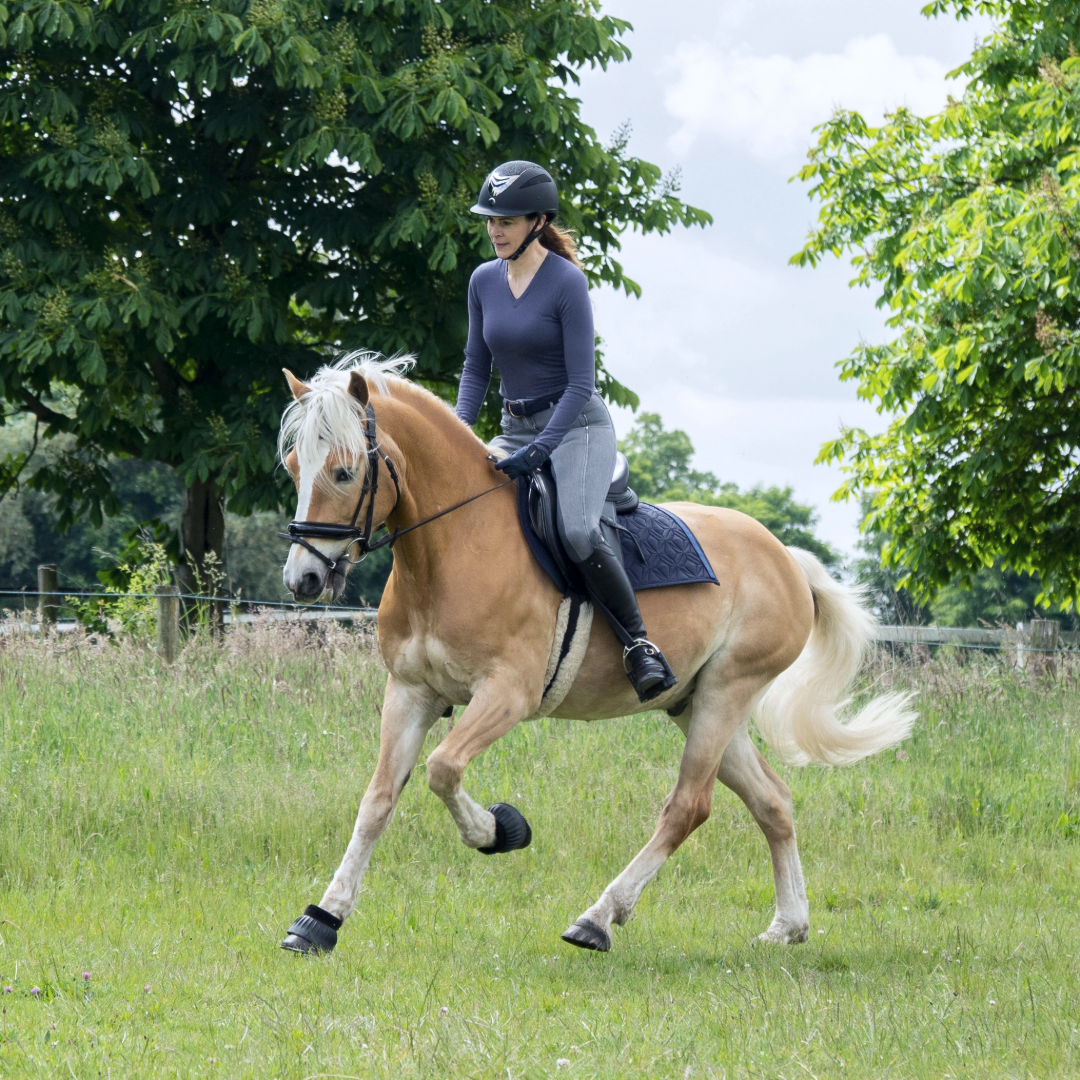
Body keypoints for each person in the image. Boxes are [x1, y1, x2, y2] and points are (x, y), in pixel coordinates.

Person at [454, 160, 677, 702]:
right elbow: (475, 369)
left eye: (505, 220)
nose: (495, 229)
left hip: (575, 427)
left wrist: (541, 450)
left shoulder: (566, 282)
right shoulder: (484, 280)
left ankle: (637, 645)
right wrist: (459, 436)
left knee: (577, 530)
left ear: (537, 220)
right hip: (513, 426)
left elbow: (582, 384)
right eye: (490, 220)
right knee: (461, 508)